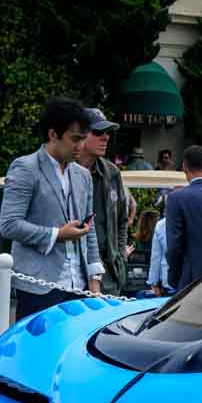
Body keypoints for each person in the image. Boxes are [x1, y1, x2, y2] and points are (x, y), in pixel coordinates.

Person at [0, 98, 103, 319]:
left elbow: (89, 227)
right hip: (38, 286)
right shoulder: (25, 168)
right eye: (74, 139)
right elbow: (9, 224)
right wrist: (57, 234)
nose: (80, 146)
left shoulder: (83, 175)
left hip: (80, 286)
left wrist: (94, 278)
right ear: (53, 134)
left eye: (83, 139)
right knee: (37, 342)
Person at [75, 108, 129, 296]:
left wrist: (119, 255)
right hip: (73, 271)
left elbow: (122, 220)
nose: (105, 137)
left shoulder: (112, 173)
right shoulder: (65, 170)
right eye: (98, 132)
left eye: (107, 132)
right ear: (80, 135)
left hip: (108, 272)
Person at [166, 145, 202, 290]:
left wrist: (174, 278)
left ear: (184, 167)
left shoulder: (176, 198)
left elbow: (174, 246)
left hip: (191, 280)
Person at [146, 216, 172, 296]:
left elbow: (156, 257)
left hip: (169, 280)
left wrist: (153, 282)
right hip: (197, 281)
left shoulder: (161, 225)